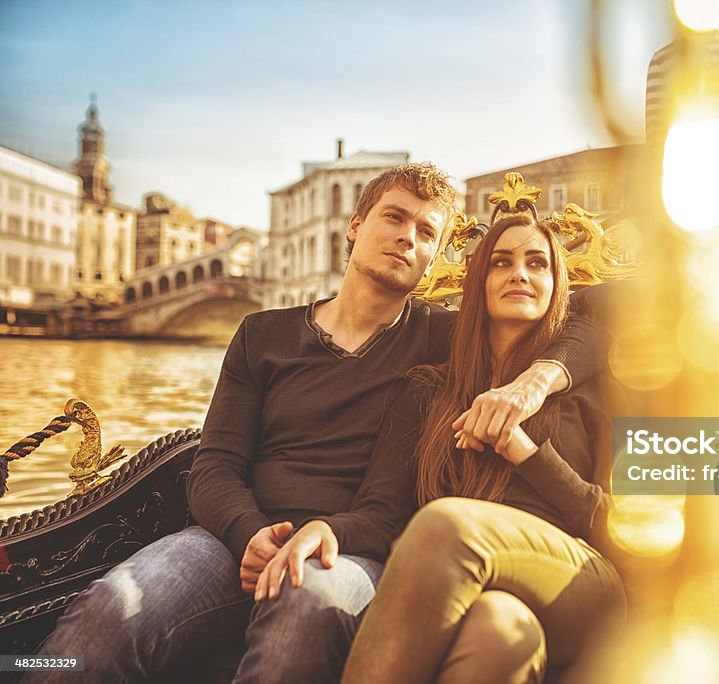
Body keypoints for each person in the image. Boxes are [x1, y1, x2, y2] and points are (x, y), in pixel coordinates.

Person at [29, 164, 602, 683]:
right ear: (354, 226)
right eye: (395, 218)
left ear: (434, 260)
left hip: (348, 550)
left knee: (303, 604)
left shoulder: (443, 339)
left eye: (427, 232)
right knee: (110, 605)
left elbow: (590, 322)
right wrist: (248, 533)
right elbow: (216, 465)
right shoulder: (261, 333)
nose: (408, 237)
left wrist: (541, 376)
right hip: (231, 541)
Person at [336, 214, 625, 683]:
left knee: (447, 522)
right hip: (480, 591)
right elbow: (381, 511)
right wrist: (324, 532)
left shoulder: (596, 387)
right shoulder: (427, 391)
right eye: (501, 263)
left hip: (580, 581)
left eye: (538, 264)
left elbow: (624, 527)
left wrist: (523, 450)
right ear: (478, 283)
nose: (520, 274)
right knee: (497, 631)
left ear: (558, 285)